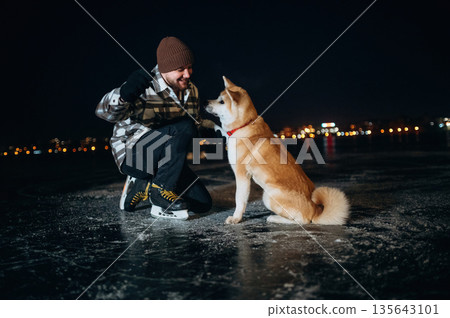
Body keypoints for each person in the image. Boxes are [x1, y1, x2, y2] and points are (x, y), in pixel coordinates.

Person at [96, 36, 214, 219]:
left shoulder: (192, 91)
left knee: (203, 204)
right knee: (184, 126)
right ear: (165, 70)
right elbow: (103, 113)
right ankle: (159, 195)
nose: (188, 74)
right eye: (181, 69)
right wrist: (124, 94)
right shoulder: (145, 86)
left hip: (166, 158)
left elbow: (195, 123)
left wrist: (219, 131)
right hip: (134, 154)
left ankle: (144, 184)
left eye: (190, 67)